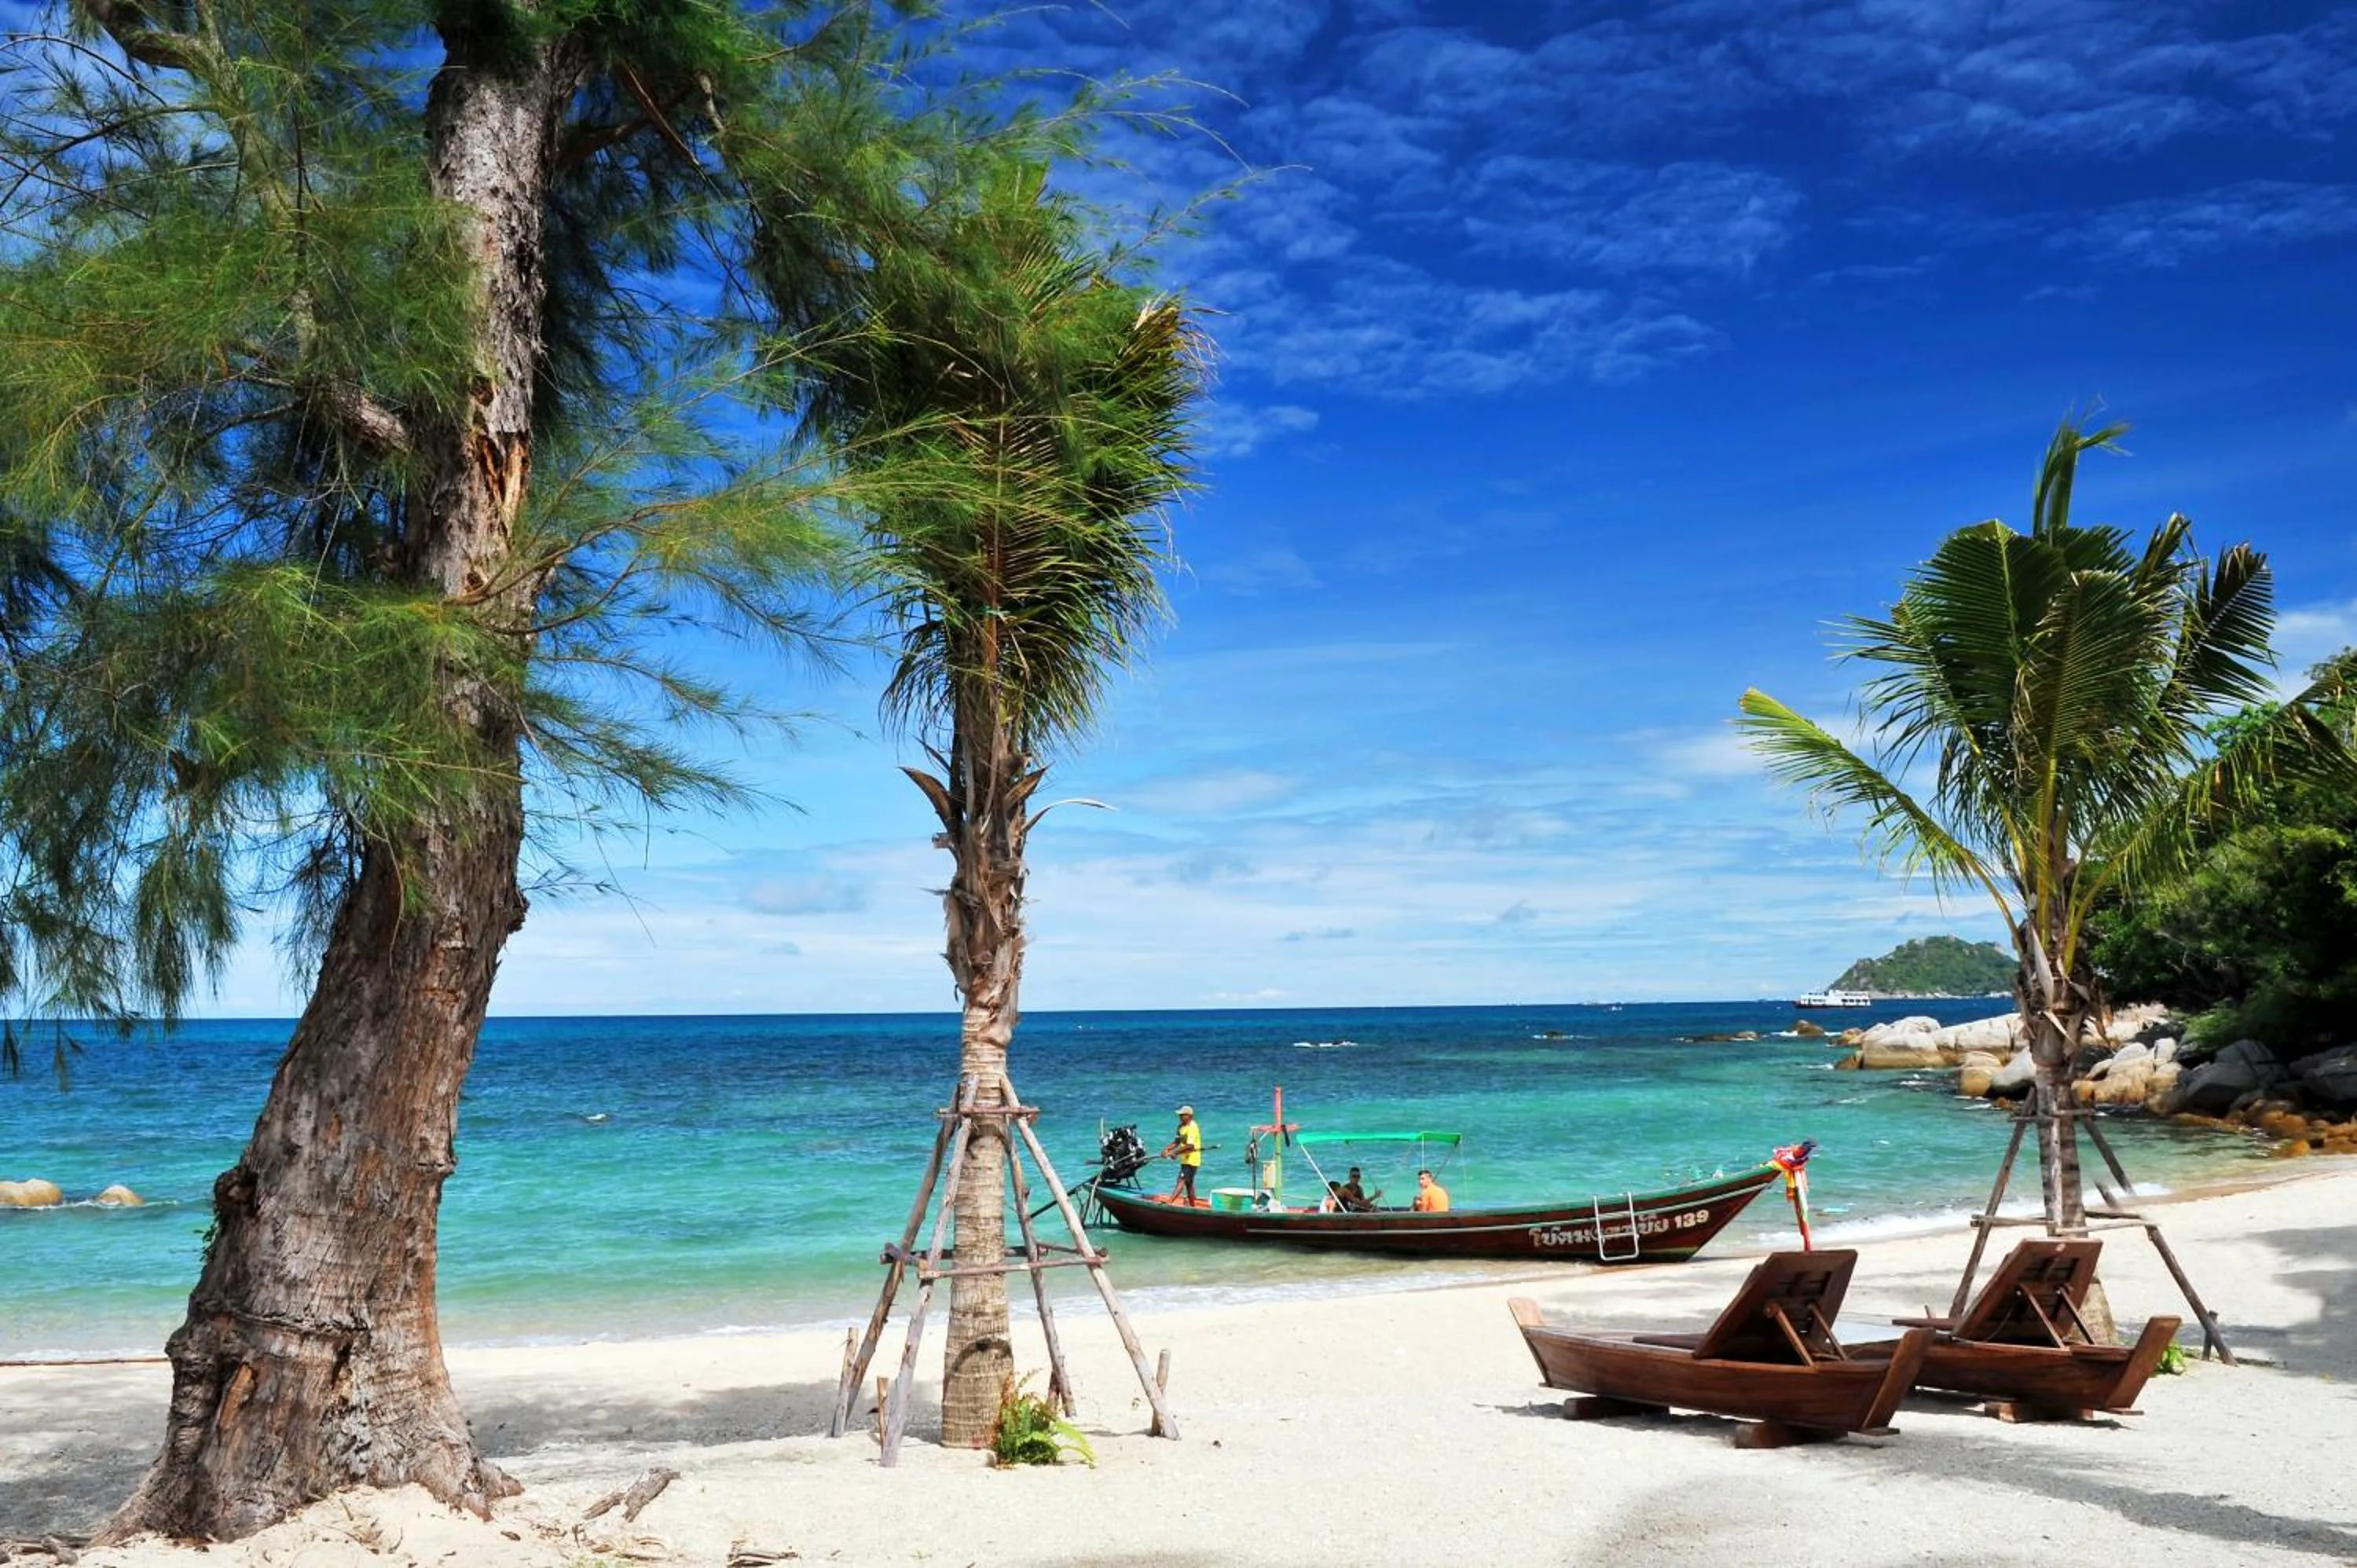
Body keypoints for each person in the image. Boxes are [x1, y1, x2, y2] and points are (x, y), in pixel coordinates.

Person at [1161, 1105, 1203, 1205]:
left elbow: (1190, 1146)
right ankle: (1193, 1206)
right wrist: (1167, 1149)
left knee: (1182, 1179)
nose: (1180, 1117)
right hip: (1185, 1159)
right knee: (1189, 1183)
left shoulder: (1192, 1127)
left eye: (1182, 1115)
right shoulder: (1180, 1127)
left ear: (1189, 1116)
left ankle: (1170, 1202)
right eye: (1180, 1115)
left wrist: (1175, 1152)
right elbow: (1177, 1142)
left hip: (1192, 1159)